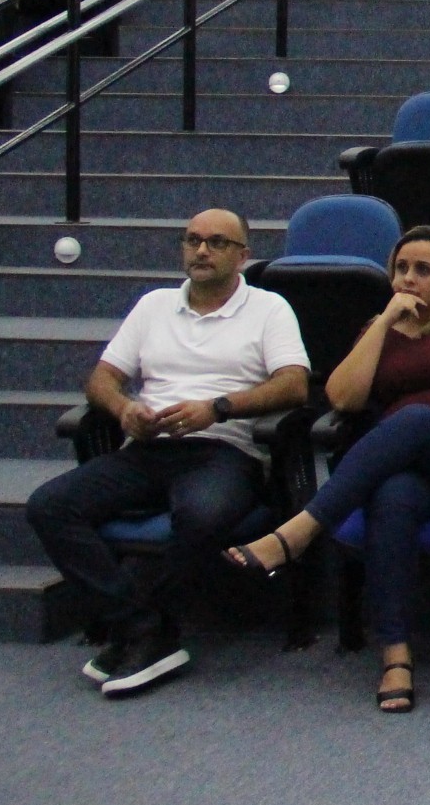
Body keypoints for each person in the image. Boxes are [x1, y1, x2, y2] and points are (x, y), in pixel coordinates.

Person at [221, 227, 430, 711]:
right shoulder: (378, 329)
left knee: (414, 421)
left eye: (422, 270)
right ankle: (396, 656)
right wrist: (383, 324)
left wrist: (421, 424)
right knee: (393, 495)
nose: (408, 279)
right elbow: (343, 398)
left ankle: (300, 531)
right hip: (407, 467)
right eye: (400, 269)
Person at [24, 211, 308, 698]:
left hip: (224, 449)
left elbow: (294, 385)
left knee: (200, 515)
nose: (202, 251)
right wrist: (124, 410)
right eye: (193, 240)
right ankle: (142, 626)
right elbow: (102, 379)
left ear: (243, 255)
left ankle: (139, 631)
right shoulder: (153, 305)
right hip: (149, 447)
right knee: (49, 506)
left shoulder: (269, 309)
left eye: (217, 242)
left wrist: (216, 408)